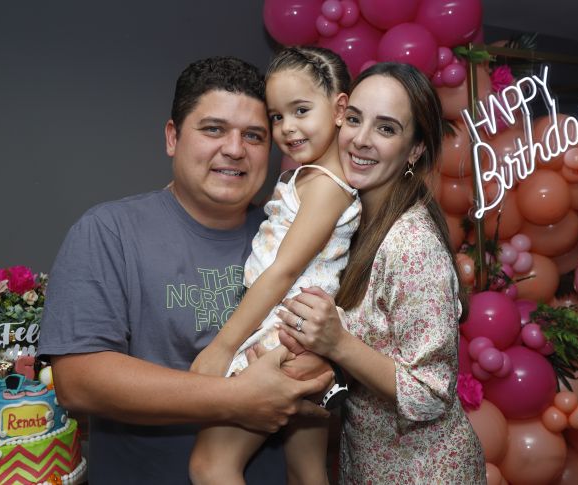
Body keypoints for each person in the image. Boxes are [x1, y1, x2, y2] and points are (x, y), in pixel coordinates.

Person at [36, 56, 334, 485]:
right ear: (173, 137)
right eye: (213, 129)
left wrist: (323, 368)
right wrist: (235, 399)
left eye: (254, 135)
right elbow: (79, 380)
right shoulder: (109, 231)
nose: (234, 149)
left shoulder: (293, 235)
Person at [276, 62, 487, 483]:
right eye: (354, 119)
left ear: (414, 150)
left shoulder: (411, 243)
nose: (361, 139)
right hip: (370, 463)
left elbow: (430, 394)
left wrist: (337, 343)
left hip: (424, 473)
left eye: (386, 129)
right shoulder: (350, 220)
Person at [187, 46, 360, 485]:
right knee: (305, 472)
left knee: (210, 466)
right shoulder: (309, 179)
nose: (287, 128)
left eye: (301, 110)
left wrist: (224, 346)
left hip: (280, 329)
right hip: (301, 335)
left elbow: (282, 270)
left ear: (340, 108)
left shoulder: (326, 186)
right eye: (277, 117)